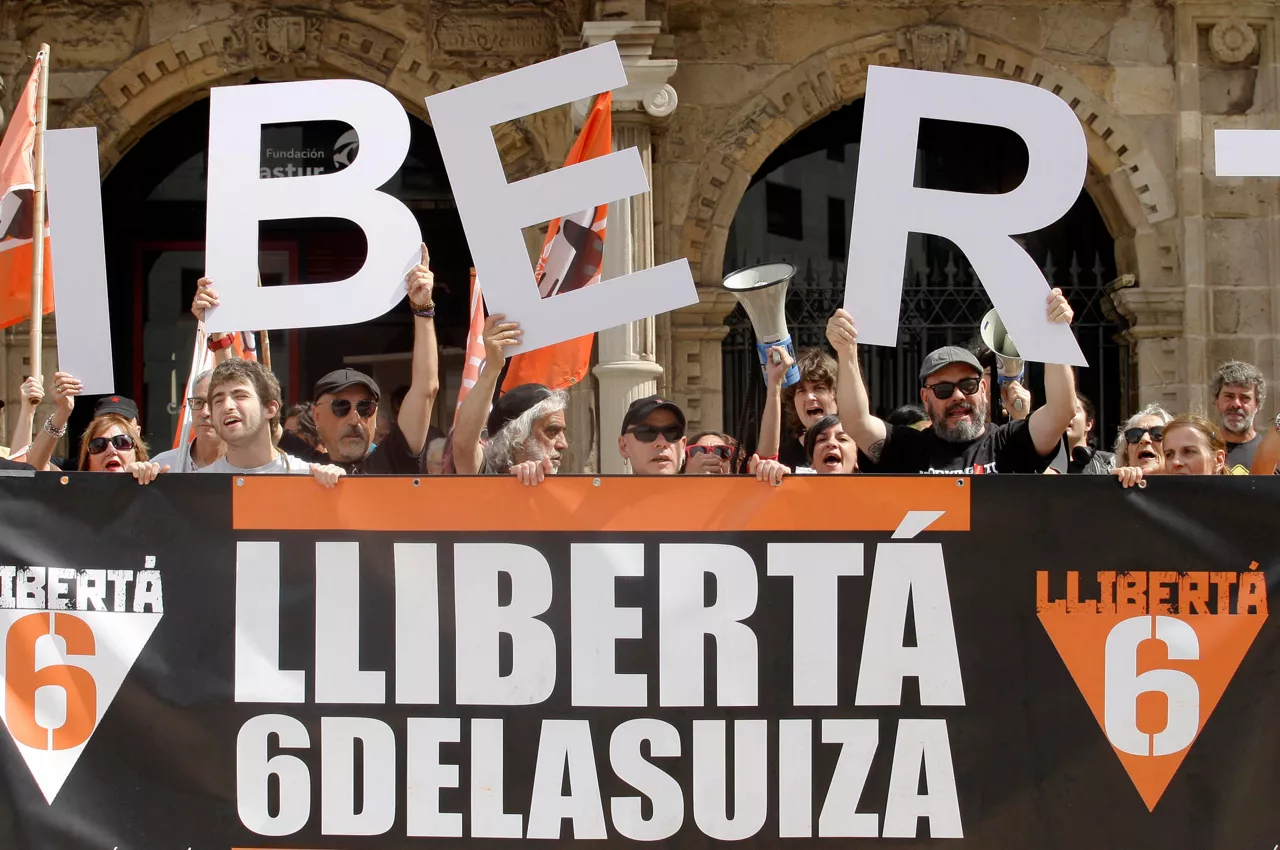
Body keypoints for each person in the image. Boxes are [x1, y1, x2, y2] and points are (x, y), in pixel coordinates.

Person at [827, 288, 1078, 474]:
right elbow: (856, 422)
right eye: (944, 389)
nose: (958, 396)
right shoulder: (909, 448)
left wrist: (1054, 338)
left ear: (982, 389)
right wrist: (846, 351)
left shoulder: (1008, 442)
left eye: (967, 385)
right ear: (926, 399)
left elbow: (1061, 411)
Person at [309, 245, 439, 474]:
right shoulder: (297, 466)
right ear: (316, 415)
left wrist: (422, 307)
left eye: (365, 407)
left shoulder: (393, 459)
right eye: (341, 406)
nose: (355, 419)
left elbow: (426, 390)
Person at [129, 359, 343, 486]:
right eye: (219, 399)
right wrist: (138, 488)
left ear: (270, 408)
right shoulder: (193, 487)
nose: (227, 406)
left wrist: (342, 488)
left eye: (240, 395)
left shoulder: (308, 478)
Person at [453, 314, 567, 485]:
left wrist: (544, 490)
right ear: (515, 439)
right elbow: (463, 445)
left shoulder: (570, 492)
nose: (563, 444)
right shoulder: (485, 478)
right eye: (551, 431)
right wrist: (492, 366)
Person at [755, 347, 838, 471]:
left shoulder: (859, 448)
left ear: (838, 395)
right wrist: (774, 384)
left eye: (819, 388)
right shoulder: (783, 459)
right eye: (802, 390)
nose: (810, 397)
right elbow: (763, 464)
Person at [149, 370, 225, 472]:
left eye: (214, 402)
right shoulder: (161, 466)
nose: (205, 412)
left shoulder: (246, 467)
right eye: (198, 402)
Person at [1210, 361, 1269, 474]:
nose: (1236, 404)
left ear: (1257, 405)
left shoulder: (1271, 454)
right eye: (1229, 396)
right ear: (1217, 402)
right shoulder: (1203, 450)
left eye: (1245, 398)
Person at [618, 395, 686, 475]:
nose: (661, 443)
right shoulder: (604, 487)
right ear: (623, 446)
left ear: (683, 446)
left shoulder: (702, 487)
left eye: (672, 432)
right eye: (647, 432)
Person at [78, 414, 149, 472]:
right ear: (88, 463)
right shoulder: (72, 489)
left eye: (122, 443)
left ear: (137, 455)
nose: (111, 450)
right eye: (98, 445)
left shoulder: (152, 488)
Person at [1065, 392, 1114, 474]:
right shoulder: (1040, 465)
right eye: (1062, 411)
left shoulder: (1109, 463)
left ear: (1088, 424)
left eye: (1074, 410)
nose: (1067, 415)